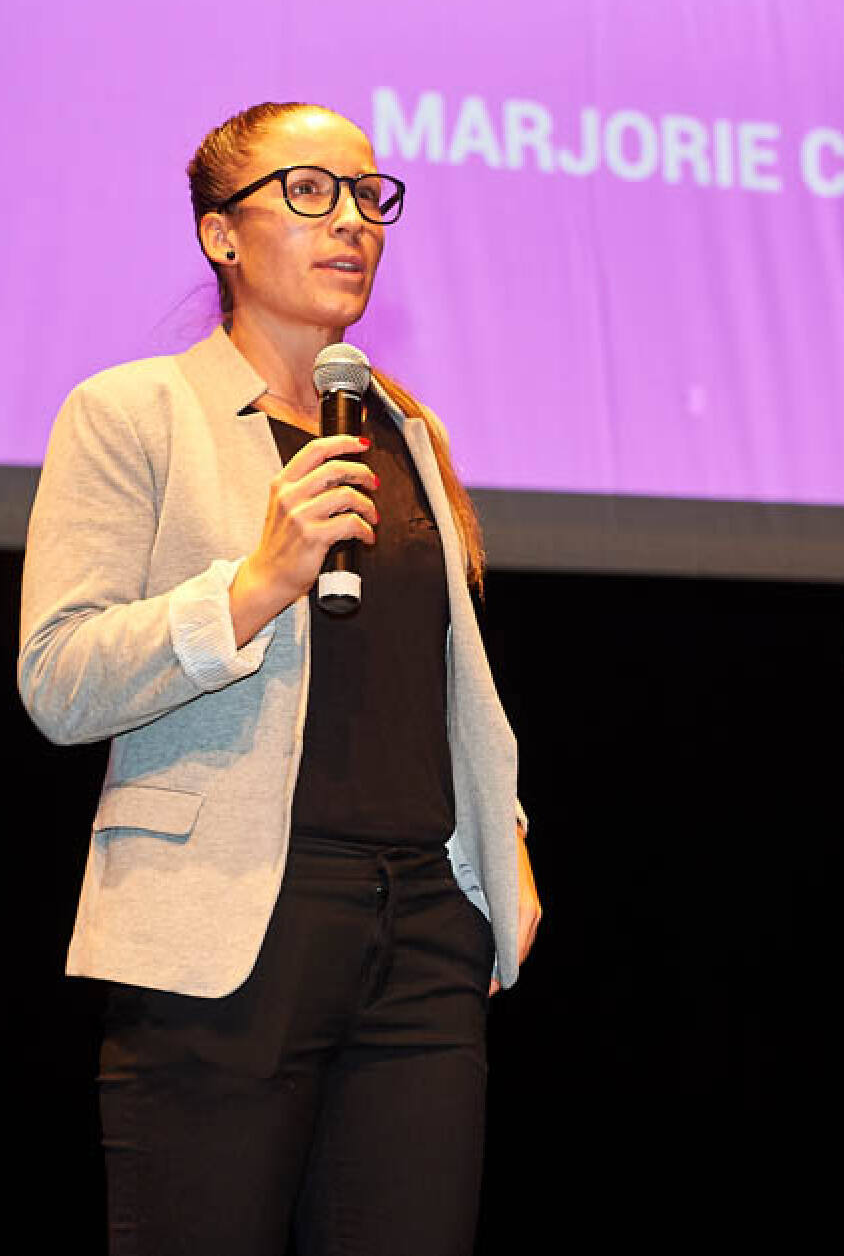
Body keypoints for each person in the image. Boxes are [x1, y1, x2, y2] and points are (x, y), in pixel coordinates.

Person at [18, 101, 541, 1256]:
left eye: (368, 195)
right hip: (230, 924)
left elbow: (437, 676)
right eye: (309, 191)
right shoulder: (132, 414)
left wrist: (501, 831)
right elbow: (58, 680)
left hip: (423, 931)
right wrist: (251, 587)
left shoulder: (405, 431)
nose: (352, 220)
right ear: (221, 234)